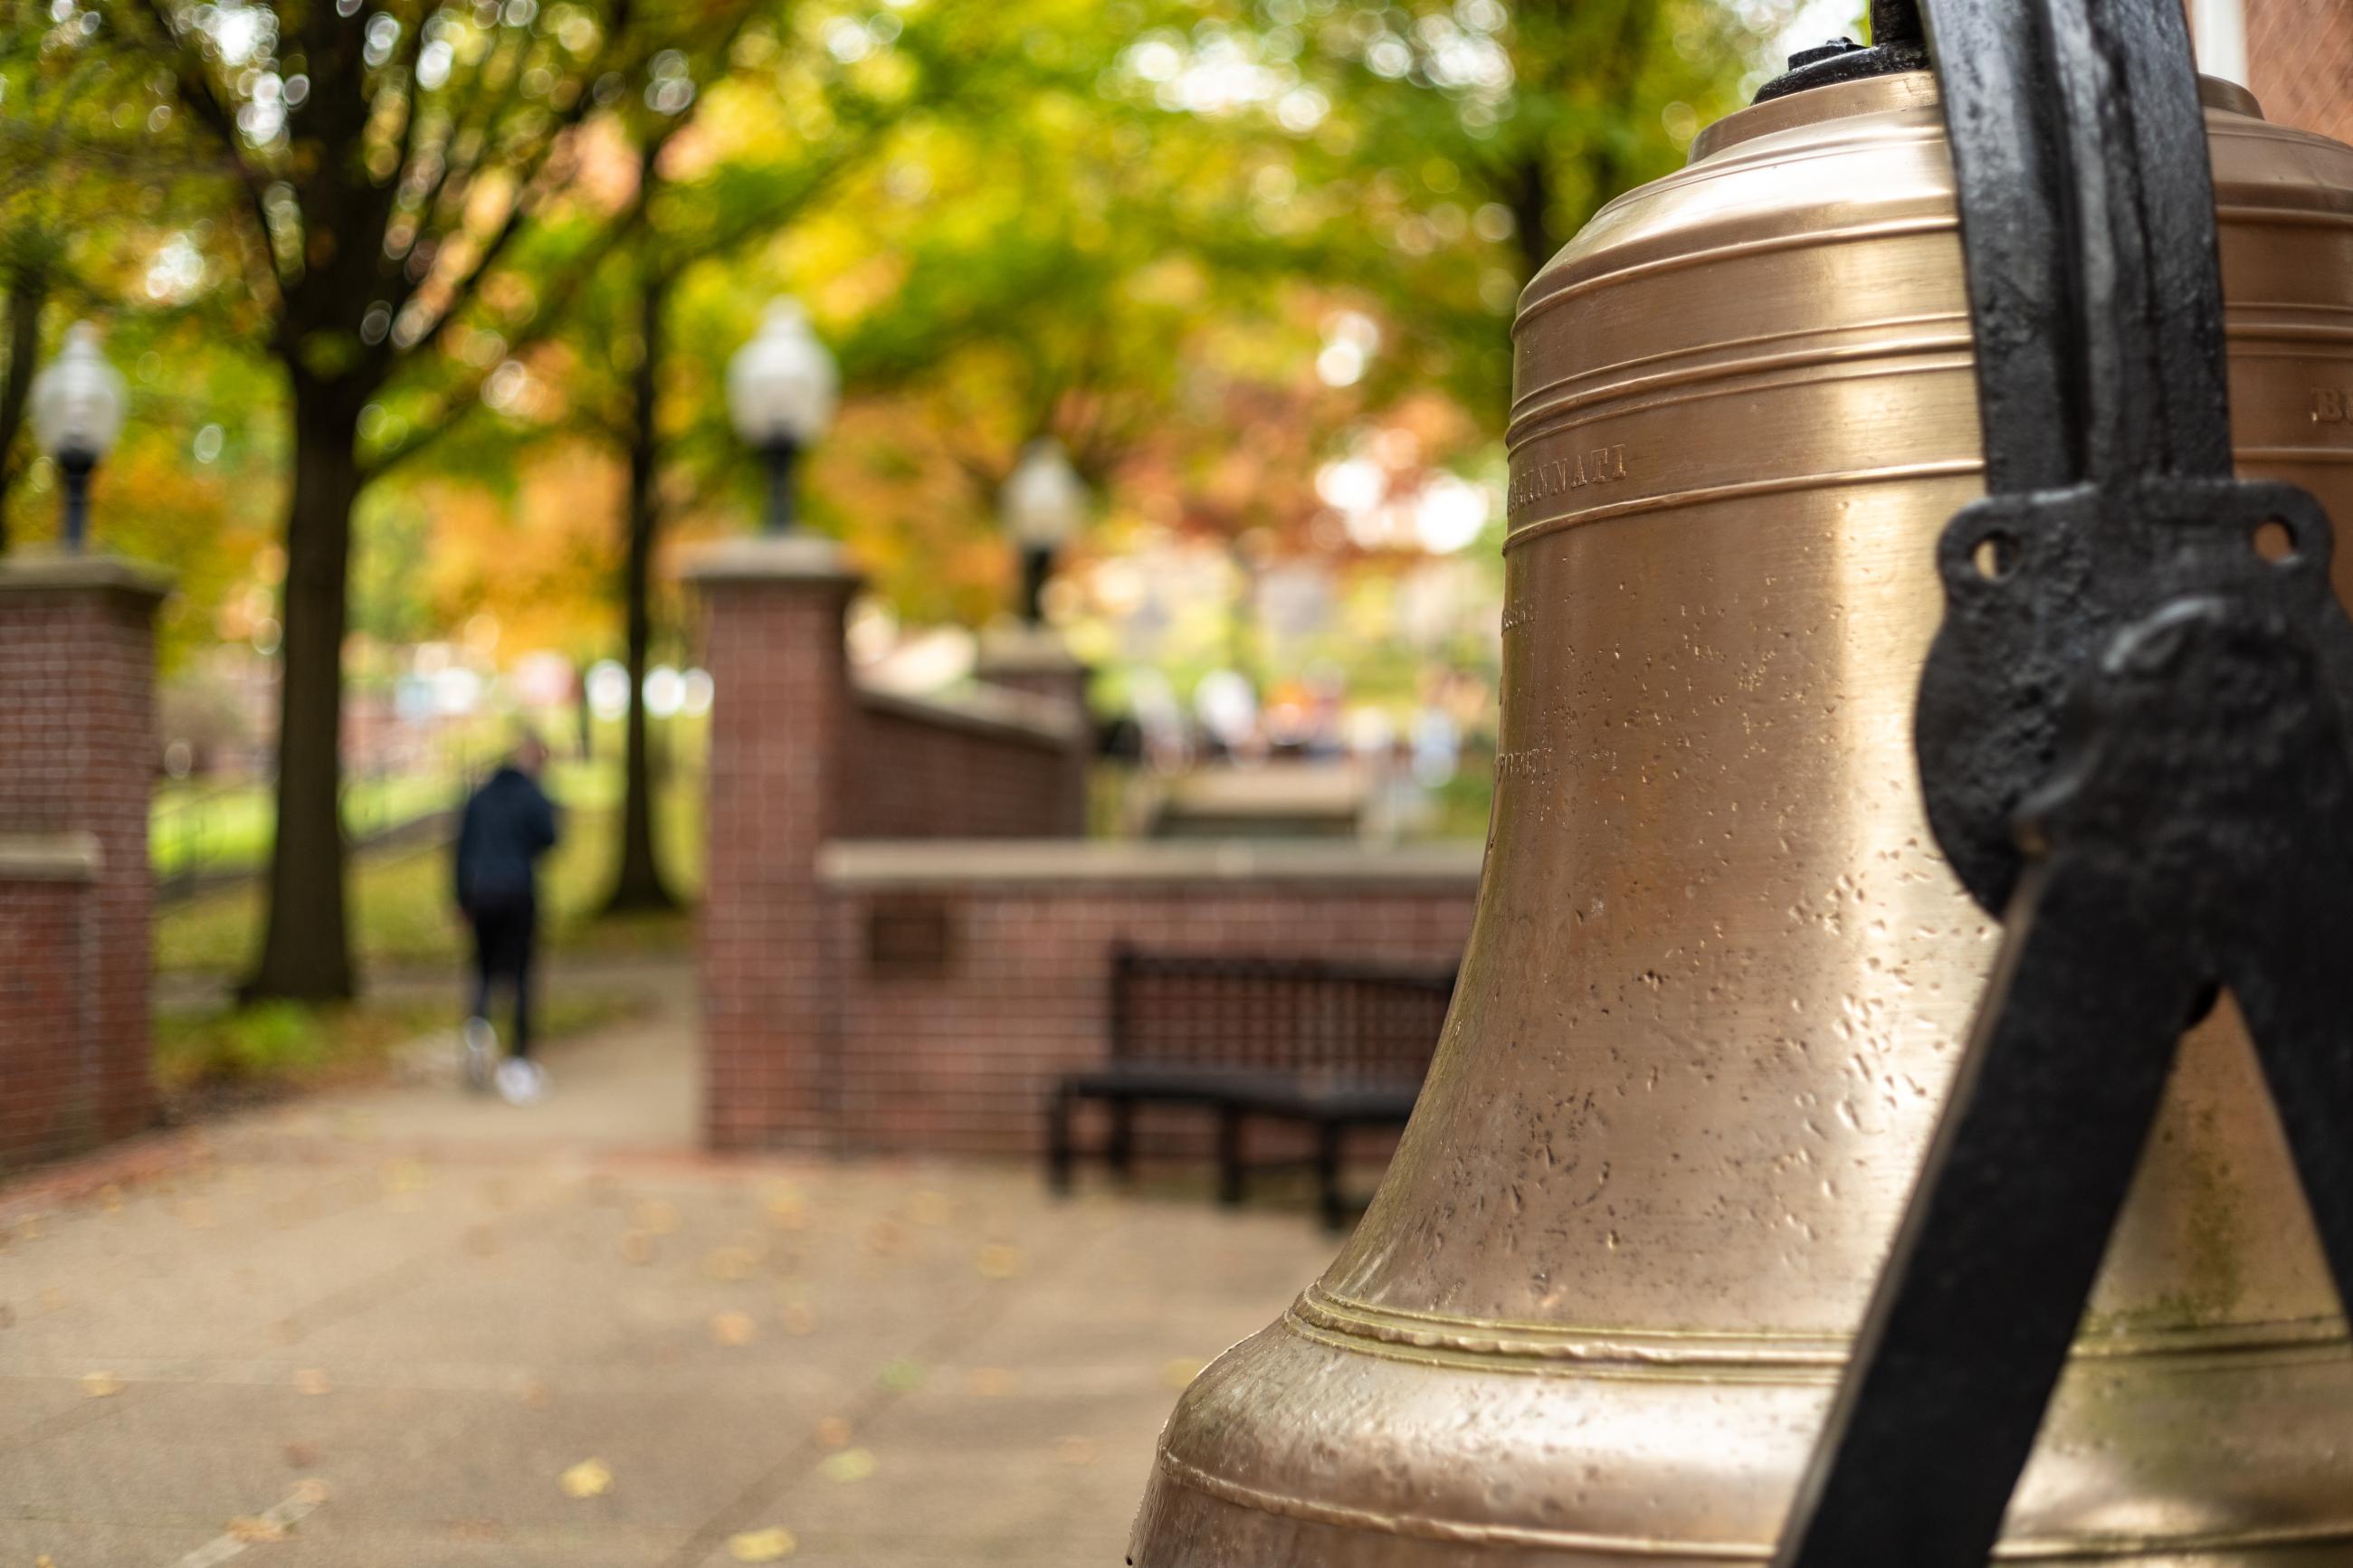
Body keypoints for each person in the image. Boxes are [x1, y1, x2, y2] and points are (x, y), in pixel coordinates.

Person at [452, 731, 560, 1104]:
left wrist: (460, 899)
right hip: (518, 892)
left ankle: (479, 1033)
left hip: (480, 893)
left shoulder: (479, 797)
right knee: (521, 975)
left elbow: (461, 850)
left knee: (482, 970)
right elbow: (550, 839)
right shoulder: (532, 796)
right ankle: (518, 1061)